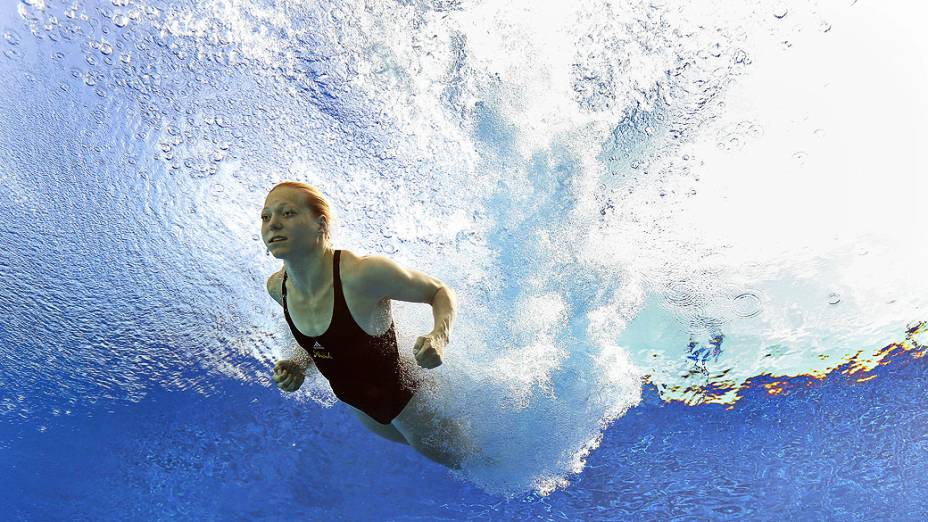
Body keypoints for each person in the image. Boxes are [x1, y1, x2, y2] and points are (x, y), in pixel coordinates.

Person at [261, 181, 473, 469]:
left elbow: (438, 291)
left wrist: (439, 336)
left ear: (320, 225)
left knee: (476, 463)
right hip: (366, 414)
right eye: (266, 217)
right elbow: (325, 342)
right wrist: (298, 364)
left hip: (410, 406)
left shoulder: (362, 275)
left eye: (287, 213)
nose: (272, 224)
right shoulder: (278, 288)